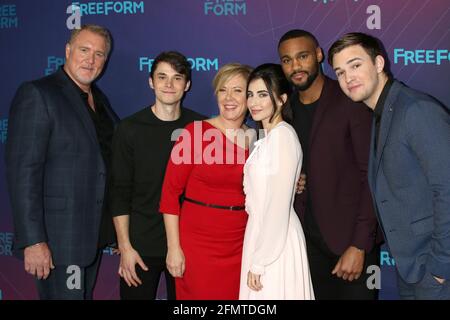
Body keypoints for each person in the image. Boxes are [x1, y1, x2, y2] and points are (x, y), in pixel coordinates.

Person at [329, 32, 450, 300]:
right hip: (412, 270)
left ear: (379, 64)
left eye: (356, 65)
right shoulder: (380, 114)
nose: (348, 78)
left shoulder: (416, 110)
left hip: (437, 272)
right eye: (339, 72)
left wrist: (440, 268)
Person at [5, 24, 119, 299]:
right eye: (84, 50)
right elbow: (23, 173)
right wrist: (33, 240)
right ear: (67, 51)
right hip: (59, 242)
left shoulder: (99, 101)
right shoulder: (39, 94)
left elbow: (104, 166)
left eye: (99, 54)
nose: (90, 59)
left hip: (91, 238)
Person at [277, 29, 380, 300]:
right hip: (304, 248)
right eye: (287, 60)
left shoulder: (349, 98)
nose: (295, 66)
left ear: (319, 55)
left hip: (350, 245)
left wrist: (359, 244)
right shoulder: (284, 110)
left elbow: (370, 174)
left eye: (302, 56)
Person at [110, 51, 205, 300]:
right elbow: (119, 192)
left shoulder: (202, 128)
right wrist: (125, 247)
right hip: (140, 247)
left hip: (187, 246)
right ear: (151, 82)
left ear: (188, 85)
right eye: (162, 77)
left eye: (177, 78)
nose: (169, 85)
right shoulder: (129, 129)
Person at [159, 63, 253, 299]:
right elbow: (170, 194)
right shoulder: (195, 133)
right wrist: (173, 248)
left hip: (242, 243)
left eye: (237, 90)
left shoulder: (257, 139)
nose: (229, 97)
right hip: (198, 244)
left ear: (250, 97)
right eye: (223, 90)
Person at [239, 63, 314, 300]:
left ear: (281, 99)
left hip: (275, 244)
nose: (254, 102)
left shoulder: (282, 137)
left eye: (263, 94)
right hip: (263, 236)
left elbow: (277, 206)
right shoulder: (267, 139)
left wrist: (260, 261)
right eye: (250, 94)